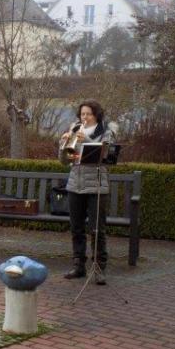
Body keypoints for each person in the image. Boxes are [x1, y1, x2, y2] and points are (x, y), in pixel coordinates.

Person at [58, 100, 116, 285]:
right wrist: (63, 145)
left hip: (97, 185)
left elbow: (105, 155)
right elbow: (65, 161)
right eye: (82, 114)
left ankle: (99, 268)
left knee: (97, 229)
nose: (84, 117)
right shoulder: (74, 129)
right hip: (75, 184)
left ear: (96, 115)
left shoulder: (106, 130)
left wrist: (87, 140)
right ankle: (79, 266)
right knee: (76, 228)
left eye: (88, 114)